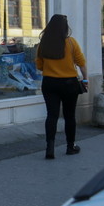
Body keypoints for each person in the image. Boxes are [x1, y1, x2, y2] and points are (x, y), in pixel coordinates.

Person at [36, 14, 87, 159]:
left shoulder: (43, 43)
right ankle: (70, 146)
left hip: (49, 83)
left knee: (51, 115)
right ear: (65, 28)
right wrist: (85, 80)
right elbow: (81, 63)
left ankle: (49, 148)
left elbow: (39, 65)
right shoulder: (71, 43)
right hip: (69, 84)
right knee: (69, 116)